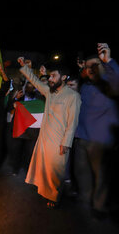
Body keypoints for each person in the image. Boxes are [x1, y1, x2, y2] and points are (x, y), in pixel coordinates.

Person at [18, 56, 81, 208]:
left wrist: (66, 143)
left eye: (54, 76)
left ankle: (54, 197)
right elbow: (35, 81)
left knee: (55, 171)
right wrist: (24, 67)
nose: (50, 79)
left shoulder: (73, 96)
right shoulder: (50, 92)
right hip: (44, 137)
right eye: (50, 76)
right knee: (44, 167)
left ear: (64, 77)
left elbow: (73, 123)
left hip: (59, 141)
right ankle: (45, 191)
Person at [74, 43, 119, 219]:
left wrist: (108, 61)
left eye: (95, 65)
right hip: (81, 137)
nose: (91, 69)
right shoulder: (85, 86)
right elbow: (84, 75)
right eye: (87, 66)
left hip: (99, 140)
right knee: (81, 171)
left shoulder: (110, 85)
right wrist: (84, 69)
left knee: (101, 176)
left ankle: (99, 206)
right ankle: (85, 199)